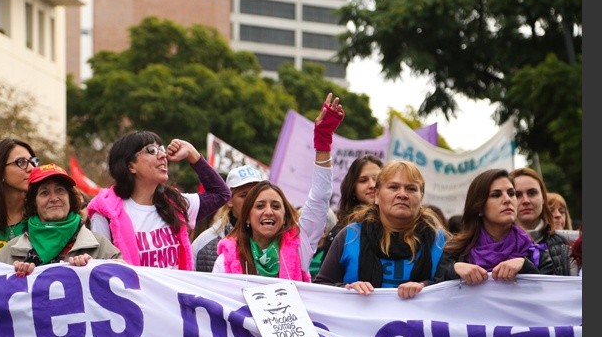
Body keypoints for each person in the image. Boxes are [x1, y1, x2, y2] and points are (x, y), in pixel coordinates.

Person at [212, 92, 344, 281]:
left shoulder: (300, 247)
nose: (268, 212)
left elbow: (320, 196)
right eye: (260, 206)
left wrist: (323, 141)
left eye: (275, 206)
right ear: (247, 216)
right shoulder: (225, 261)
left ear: (285, 216)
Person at [86, 131, 230, 270]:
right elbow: (99, 269)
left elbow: (221, 194)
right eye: (151, 150)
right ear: (130, 166)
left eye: (161, 149)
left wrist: (192, 154)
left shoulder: (175, 204)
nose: (163, 155)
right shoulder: (106, 214)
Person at [314, 160, 448, 299]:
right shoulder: (350, 236)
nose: (402, 194)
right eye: (393, 187)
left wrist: (426, 287)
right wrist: (347, 289)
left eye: (411, 189)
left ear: (421, 197)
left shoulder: (440, 241)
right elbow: (320, 288)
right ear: (377, 195)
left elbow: (456, 289)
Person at [0, 163, 123, 276]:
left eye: (60, 190)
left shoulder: (99, 245)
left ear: (70, 198)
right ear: (33, 203)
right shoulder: (9, 253)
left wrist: (95, 269)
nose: (54, 198)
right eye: (44, 193)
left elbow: (125, 280)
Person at [435, 169, 540, 285]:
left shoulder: (534, 249)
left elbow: (549, 290)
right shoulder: (455, 251)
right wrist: (453, 271)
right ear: (479, 207)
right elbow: (435, 290)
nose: (507, 199)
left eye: (511, 193)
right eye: (496, 195)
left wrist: (525, 266)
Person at [191, 165, 264, 272]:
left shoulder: (277, 240)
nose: (252, 201)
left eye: (256, 195)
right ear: (229, 200)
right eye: (244, 195)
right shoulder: (203, 244)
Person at [511, 167, 572, 275]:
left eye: (532, 193)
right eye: (517, 195)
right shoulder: (493, 245)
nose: (526, 201)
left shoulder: (564, 245)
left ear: (543, 198)